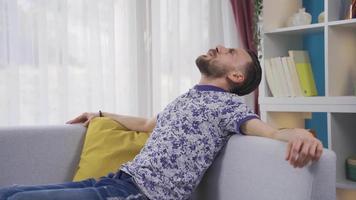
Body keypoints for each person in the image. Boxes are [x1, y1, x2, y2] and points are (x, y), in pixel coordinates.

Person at [0, 45, 323, 200]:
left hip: (141, 196)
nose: (220, 46)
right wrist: (100, 115)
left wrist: (300, 134)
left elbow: (268, 130)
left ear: (236, 76)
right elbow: (145, 124)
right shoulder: (186, 98)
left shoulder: (227, 106)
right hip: (116, 180)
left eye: (231, 51)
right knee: (9, 192)